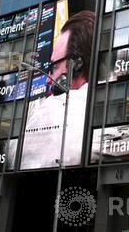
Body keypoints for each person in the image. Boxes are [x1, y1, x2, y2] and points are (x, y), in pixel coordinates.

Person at [21, 10, 96, 169]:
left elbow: (16, 156)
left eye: (55, 67)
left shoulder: (55, 109)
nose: (48, 79)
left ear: (76, 65)